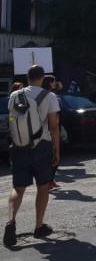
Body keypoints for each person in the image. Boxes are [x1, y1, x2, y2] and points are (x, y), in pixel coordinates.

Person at [5, 65, 61, 247]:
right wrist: (57, 150)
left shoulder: (15, 95)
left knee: (18, 188)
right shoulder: (49, 96)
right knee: (43, 186)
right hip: (41, 146)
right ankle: (38, 226)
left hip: (19, 146)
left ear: (27, 77)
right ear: (42, 77)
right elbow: (53, 126)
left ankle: (11, 221)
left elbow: (12, 118)